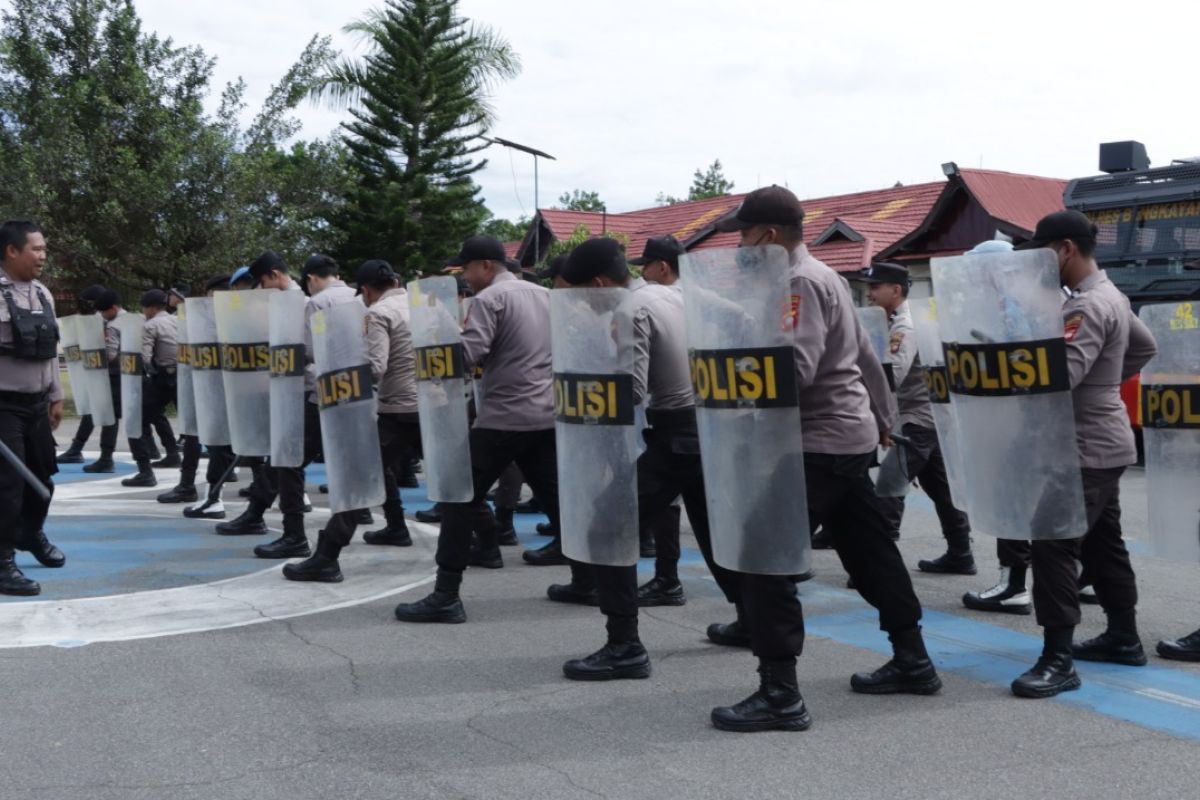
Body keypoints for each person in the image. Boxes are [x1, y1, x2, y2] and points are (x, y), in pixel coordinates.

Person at [706, 186, 940, 733]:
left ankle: (780, 693)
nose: (740, 245)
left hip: (810, 443)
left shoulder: (798, 282)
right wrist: (884, 421)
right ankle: (913, 659)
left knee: (766, 557)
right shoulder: (825, 277)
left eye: (743, 235)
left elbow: (793, 370)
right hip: (845, 438)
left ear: (766, 235)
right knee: (869, 550)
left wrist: (733, 401)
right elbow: (864, 354)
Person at [1009, 210, 1157, 698]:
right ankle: (1122, 636)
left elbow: (1058, 378)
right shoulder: (1109, 295)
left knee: (1052, 544)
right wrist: (1107, 382)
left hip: (1081, 445)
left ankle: (1058, 658)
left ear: (1065, 249)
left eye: (1041, 252)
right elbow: (1144, 346)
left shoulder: (1085, 308)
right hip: (1103, 441)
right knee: (1102, 542)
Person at [553, 237, 705, 680]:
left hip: (676, 431)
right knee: (716, 531)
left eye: (580, 294)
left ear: (599, 283)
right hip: (705, 427)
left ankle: (624, 645)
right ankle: (752, 623)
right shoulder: (670, 294)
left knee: (607, 523)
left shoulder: (628, 310)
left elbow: (629, 392)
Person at [394, 235, 562, 623]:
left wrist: (439, 339)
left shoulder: (490, 300)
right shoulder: (545, 295)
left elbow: (470, 354)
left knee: (457, 496)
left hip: (503, 415)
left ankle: (446, 593)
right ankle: (588, 578)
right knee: (557, 500)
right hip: (544, 413)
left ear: (486, 265)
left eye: (467, 269)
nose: (466, 278)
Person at [855, 261, 975, 575]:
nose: (870, 293)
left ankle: (880, 565)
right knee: (942, 490)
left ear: (896, 290)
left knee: (889, 487)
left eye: (875, 287)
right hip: (932, 417)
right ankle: (961, 553)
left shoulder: (904, 327)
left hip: (915, 420)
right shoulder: (908, 318)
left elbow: (892, 373)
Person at [0, 220, 66, 596]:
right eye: (36, 249)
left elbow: (49, 350)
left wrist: (56, 394)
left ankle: (29, 532)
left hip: (37, 404)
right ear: (12, 250)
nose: (43, 255)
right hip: (3, 405)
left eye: (43, 248)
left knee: (42, 478)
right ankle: (2, 560)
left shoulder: (42, 293)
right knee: (7, 485)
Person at [628, 234, 689, 602]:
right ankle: (669, 578)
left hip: (671, 422)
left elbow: (634, 387)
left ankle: (621, 636)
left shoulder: (643, 303)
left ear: (662, 267)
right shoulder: (703, 301)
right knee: (701, 519)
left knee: (622, 515)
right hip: (709, 423)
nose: (644, 274)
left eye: (647, 266)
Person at [157, 274, 238, 519]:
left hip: (218, 393)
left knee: (221, 445)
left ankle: (214, 498)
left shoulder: (218, 319)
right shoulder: (229, 317)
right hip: (222, 393)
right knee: (239, 448)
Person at [357, 259, 422, 547]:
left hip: (397, 406)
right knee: (452, 473)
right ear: (396, 283)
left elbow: (376, 365)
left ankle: (395, 524)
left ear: (366, 291)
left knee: (375, 468)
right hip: (431, 403)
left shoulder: (377, 313)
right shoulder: (424, 304)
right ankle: (485, 535)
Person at [83, 288, 158, 485]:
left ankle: (109, 459)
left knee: (112, 418)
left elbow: (110, 354)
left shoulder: (114, 326)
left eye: (104, 311)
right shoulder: (140, 319)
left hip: (119, 377)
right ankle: (151, 455)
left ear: (113, 308)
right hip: (142, 375)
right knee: (139, 420)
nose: (102, 315)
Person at [56, 284, 111, 463]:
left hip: (105, 372)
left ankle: (80, 449)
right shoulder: (103, 318)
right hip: (101, 372)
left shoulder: (104, 319)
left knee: (100, 413)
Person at [140, 288, 180, 468]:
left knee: (152, 413)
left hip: (163, 375)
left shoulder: (151, 325)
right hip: (183, 373)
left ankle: (169, 453)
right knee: (189, 419)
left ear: (150, 308)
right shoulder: (178, 320)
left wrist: (148, 373)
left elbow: (145, 356)